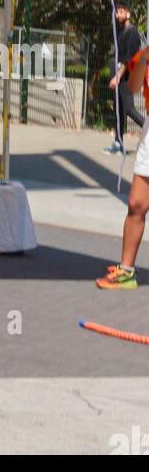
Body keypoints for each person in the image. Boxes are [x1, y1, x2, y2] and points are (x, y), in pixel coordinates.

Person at [96, 42, 149, 289]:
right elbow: (134, 87)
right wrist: (144, 60)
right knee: (136, 204)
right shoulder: (144, 55)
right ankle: (127, 271)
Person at [103, 3, 145, 155]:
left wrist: (118, 77)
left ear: (128, 14)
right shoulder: (120, 31)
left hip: (127, 76)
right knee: (118, 110)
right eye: (116, 12)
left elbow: (129, 60)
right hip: (119, 74)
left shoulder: (132, 33)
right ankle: (118, 144)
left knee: (128, 109)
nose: (117, 15)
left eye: (121, 12)